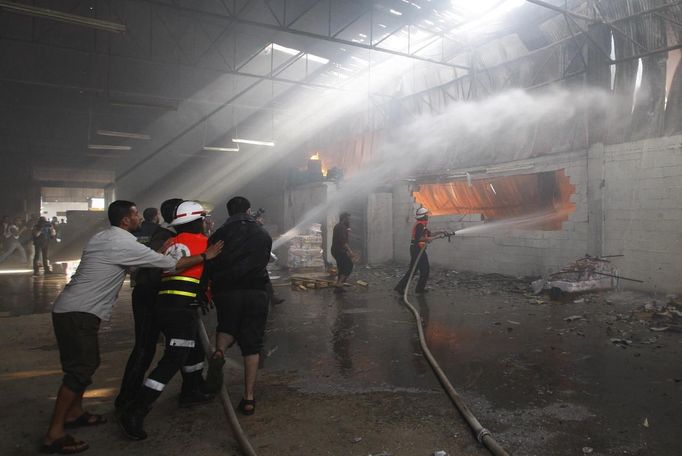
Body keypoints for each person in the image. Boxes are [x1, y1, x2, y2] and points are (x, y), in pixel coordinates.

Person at [41, 201, 223, 455]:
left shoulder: (107, 238)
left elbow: (145, 262)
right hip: (79, 312)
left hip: (76, 308)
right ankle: (55, 432)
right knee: (80, 370)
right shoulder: (123, 243)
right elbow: (165, 264)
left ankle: (74, 412)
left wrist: (164, 251)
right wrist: (206, 255)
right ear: (125, 220)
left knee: (88, 365)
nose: (142, 216)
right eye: (136, 214)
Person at [119, 201, 217, 440]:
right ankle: (137, 409)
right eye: (203, 219)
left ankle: (192, 389)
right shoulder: (205, 244)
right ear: (198, 222)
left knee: (193, 350)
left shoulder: (170, 242)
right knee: (173, 359)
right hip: (181, 309)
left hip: (165, 305)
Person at [203, 196, 272, 416]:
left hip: (227, 292)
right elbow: (265, 260)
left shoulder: (220, 234)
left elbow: (210, 262)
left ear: (229, 211)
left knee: (226, 326)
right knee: (252, 344)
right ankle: (248, 397)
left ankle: (220, 352)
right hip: (256, 291)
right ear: (249, 210)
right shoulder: (262, 233)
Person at [115, 199, 182, 411]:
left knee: (145, 346)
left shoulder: (135, 233)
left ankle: (128, 395)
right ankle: (130, 400)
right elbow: (165, 263)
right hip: (157, 293)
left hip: (143, 291)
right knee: (154, 347)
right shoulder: (165, 236)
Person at [394, 207, 441, 295]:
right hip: (417, 250)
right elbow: (419, 238)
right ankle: (418, 289)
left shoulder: (423, 225)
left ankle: (400, 287)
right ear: (424, 216)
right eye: (427, 215)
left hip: (417, 249)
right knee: (425, 270)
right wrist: (429, 239)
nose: (428, 216)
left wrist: (440, 232)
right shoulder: (420, 225)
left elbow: (429, 234)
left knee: (413, 270)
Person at [331, 212, 354, 293]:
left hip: (336, 250)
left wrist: (347, 230)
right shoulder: (341, 227)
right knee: (349, 265)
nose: (349, 220)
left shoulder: (340, 226)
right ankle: (340, 283)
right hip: (339, 250)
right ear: (344, 219)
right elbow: (343, 241)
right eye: (348, 218)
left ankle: (338, 287)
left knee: (341, 267)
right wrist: (350, 252)